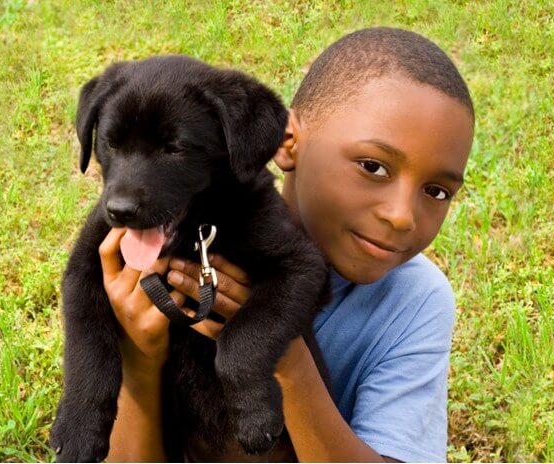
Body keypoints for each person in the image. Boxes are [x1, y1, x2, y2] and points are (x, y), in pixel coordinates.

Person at [100, 27, 474, 462]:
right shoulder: (176, 240)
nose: (401, 215)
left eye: (437, 191)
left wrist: (285, 358)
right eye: (373, 166)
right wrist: (139, 364)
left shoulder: (415, 300)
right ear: (288, 142)